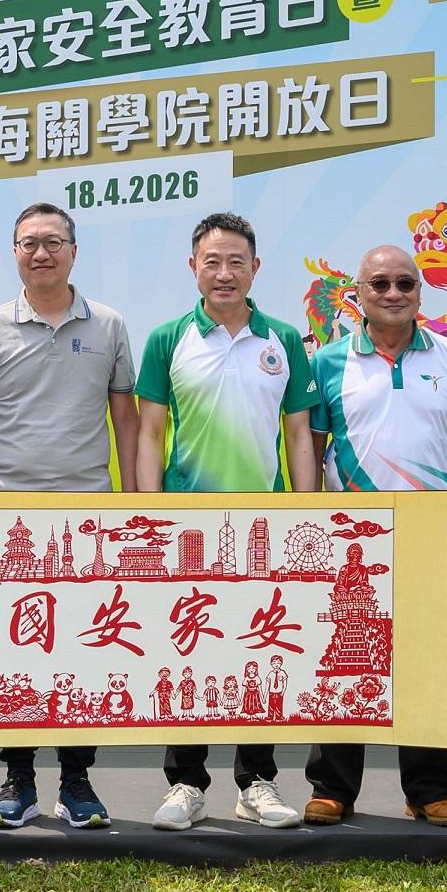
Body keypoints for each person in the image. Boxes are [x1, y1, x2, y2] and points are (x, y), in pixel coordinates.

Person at [133, 209, 319, 830]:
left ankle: (257, 782)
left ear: (255, 268)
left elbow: (299, 435)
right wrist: (150, 515)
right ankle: (185, 783)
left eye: (236, 261)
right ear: (193, 267)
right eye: (211, 261)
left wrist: (305, 515)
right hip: (188, 526)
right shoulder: (167, 339)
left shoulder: (283, 339)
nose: (223, 273)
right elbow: (150, 431)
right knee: (187, 650)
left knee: (261, 649)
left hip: (264, 526)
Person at [0, 202, 134, 831]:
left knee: (87, 647)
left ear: (74, 252)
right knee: (13, 649)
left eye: (53, 242)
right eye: (28, 242)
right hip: (8, 512)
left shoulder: (109, 324)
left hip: (89, 513)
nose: (41, 253)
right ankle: (18, 778)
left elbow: (125, 421)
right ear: (14, 253)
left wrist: (134, 503)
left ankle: (77, 781)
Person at [304, 243, 447, 825]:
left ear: (419, 292)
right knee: (346, 655)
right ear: (358, 293)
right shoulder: (327, 361)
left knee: (429, 656)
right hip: (351, 533)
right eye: (379, 283)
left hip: (433, 530)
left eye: (405, 283)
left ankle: (429, 788)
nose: (392, 293)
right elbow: (311, 447)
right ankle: (333, 787)